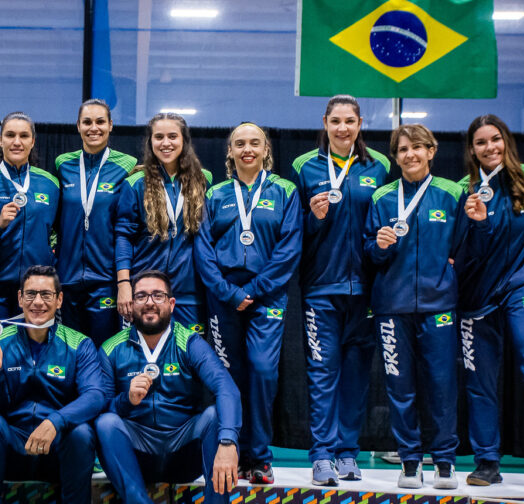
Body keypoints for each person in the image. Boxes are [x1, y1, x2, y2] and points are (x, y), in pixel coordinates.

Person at [453, 115, 524, 489]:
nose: (490, 148)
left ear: (507, 141)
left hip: (523, 284)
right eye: (481, 142)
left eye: (495, 139)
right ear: (471, 149)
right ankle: (487, 461)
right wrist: (479, 224)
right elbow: (464, 252)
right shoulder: (463, 190)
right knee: (479, 380)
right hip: (477, 294)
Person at [364, 124, 472, 490]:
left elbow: (466, 246)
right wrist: (379, 246)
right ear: (395, 157)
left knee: (441, 386)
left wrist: (449, 272)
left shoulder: (452, 193)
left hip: (438, 305)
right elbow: (369, 253)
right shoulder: (382, 197)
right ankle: (410, 462)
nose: (410, 154)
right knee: (400, 387)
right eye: (402, 149)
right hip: (391, 307)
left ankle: (444, 462)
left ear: (431, 151)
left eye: (417, 147)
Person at [290, 95, 390, 484]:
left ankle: (348, 453)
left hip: (366, 289)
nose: (343, 128)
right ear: (325, 123)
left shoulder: (379, 166)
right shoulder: (304, 166)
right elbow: (292, 231)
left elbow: (385, 221)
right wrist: (313, 218)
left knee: (356, 376)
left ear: (360, 124)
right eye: (336, 121)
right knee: (321, 373)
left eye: (350, 121)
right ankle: (321, 455)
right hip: (321, 288)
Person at [194, 122, 302, 484]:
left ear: (266, 148)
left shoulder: (285, 191)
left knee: (262, 371)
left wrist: (254, 290)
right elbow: (203, 249)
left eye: (255, 143)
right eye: (240, 143)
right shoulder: (215, 194)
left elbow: (289, 248)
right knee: (227, 375)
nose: (247, 149)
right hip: (223, 297)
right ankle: (234, 452)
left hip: (266, 297)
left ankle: (260, 456)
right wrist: (228, 292)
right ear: (230, 151)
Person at [97, 270, 242, 504]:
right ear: (131, 304)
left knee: (215, 416)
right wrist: (127, 400)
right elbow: (100, 407)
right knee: (105, 423)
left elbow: (226, 388)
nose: (150, 303)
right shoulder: (111, 348)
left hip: (184, 452)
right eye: (141, 296)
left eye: (158, 295)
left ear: (171, 304)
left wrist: (228, 442)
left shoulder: (190, 342)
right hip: (137, 455)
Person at [0, 265, 109, 504]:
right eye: (31, 294)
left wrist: (55, 421)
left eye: (46, 295)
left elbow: (95, 395)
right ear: (20, 298)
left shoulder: (79, 343)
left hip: (58, 446)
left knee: (81, 434)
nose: (37, 302)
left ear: (59, 300)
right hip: (14, 444)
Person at [0, 112, 60, 340]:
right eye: (10, 135)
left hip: (36, 292)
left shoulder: (50, 184)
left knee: (34, 353)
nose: (17, 142)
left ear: (32, 141)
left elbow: (60, 233)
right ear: (0, 140)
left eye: (24, 136)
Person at [115, 112, 212, 332]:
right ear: (150, 142)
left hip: (190, 291)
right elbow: (123, 237)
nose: (166, 143)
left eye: (172, 136)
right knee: (144, 350)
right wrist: (124, 284)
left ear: (184, 140)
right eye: (159, 137)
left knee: (188, 350)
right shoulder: (135, 184)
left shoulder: (203, 179)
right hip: (145, 289)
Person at [55, 99, 138, 345]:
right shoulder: (63, 164)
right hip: (68, 279)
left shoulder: (128, 165)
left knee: (105, 350)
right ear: (78, 126)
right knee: (72, 351)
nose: (94, 128)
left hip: (106, 279)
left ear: (110, 125)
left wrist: (123, 281)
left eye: (100, 122)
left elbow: (128, 224)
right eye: (87, 122)